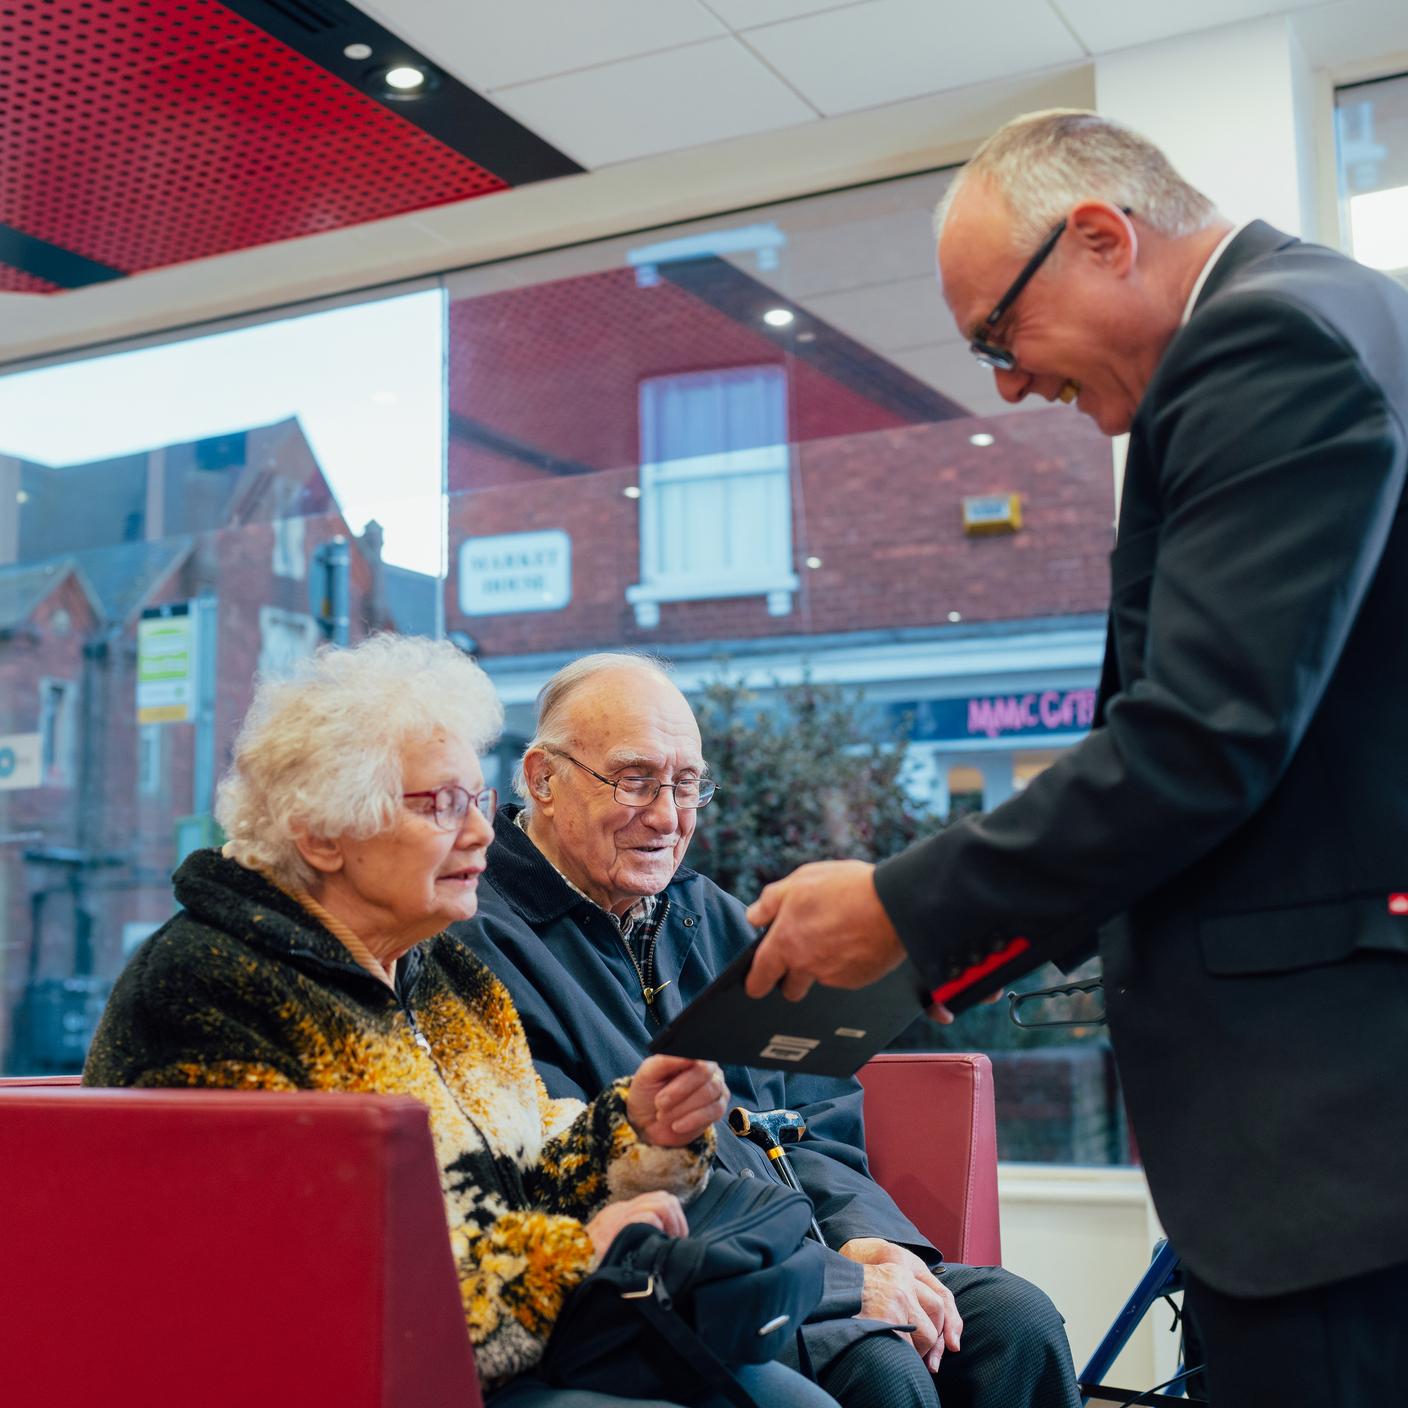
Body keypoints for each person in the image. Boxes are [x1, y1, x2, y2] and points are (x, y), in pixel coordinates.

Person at [744, 108, 1408, 1405]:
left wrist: (896, 910)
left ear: (1102, 237)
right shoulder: (1346, 313)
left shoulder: (1263, 341)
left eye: (1000, 335)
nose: (1003, 385)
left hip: (1332, 1146)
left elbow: (1199, 742)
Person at [83, 634, 837, 1408]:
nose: (482, 832)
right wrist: (573, 1260)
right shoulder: (213, 986)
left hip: (506, 1344)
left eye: (478, 800)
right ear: (320, 831)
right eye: (442, 804)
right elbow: (307, 1271)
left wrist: (632, 1130)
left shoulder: (442, 973)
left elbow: (519, 1164)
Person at [465, 652, 1081, 1408]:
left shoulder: (718, 918)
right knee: (881, 1371)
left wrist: (866, 1238)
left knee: (1018, 1322)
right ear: (541, 779)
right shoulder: (478, 944)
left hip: (813, 1252)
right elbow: (591, 1186)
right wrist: (841, 1284)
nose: (666, 816)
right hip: (683, 1287)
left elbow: (817, 1117)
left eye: (687, 784)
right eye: (633, 780)